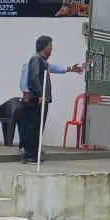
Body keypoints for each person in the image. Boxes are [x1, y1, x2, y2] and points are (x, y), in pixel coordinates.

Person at [20, 35, 85, 163]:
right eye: (50, 46)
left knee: (38, 127)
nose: (52, 48)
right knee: (33, 127)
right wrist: (40, 94)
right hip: (36, 99)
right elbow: (33, 78)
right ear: (44, 47)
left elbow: (53, 68)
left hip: (41, 99)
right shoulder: (35, 59)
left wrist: (70, 69)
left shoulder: (42, 61)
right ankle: (29, 155)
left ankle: (34, 154)